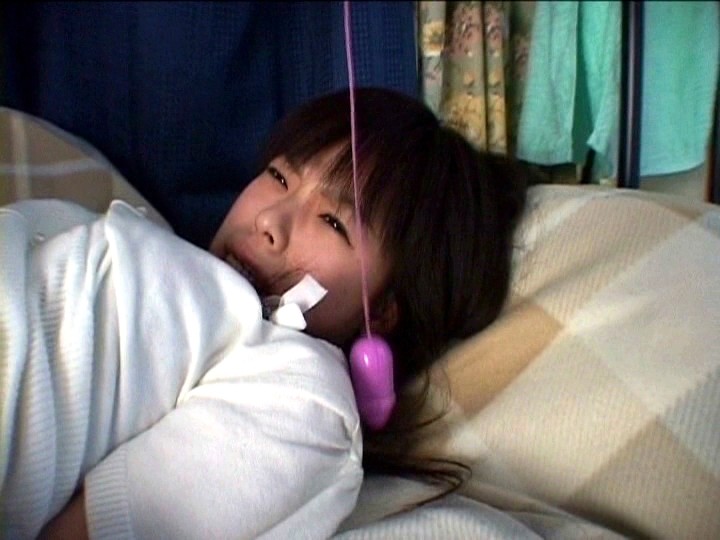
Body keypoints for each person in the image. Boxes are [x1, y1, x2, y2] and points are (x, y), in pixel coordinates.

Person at [0, 87, 530, 538]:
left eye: (333, 222)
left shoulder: (305, 395)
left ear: (385, 311)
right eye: (278, 177)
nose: (270, 221)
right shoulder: (146, 242)